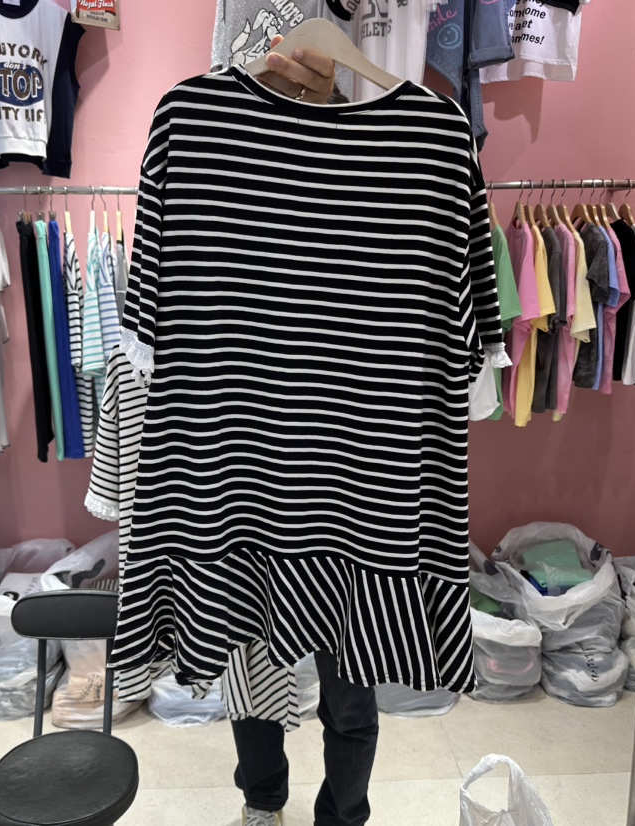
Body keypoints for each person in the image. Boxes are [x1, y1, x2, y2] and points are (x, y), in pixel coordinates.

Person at [226, 33, 379, 826]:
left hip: (352, 495)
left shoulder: (381, 177)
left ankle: (342, 815)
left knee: (349, 695)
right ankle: (264, 799)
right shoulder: (229, 180)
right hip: (253, 483)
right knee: (253, 673)